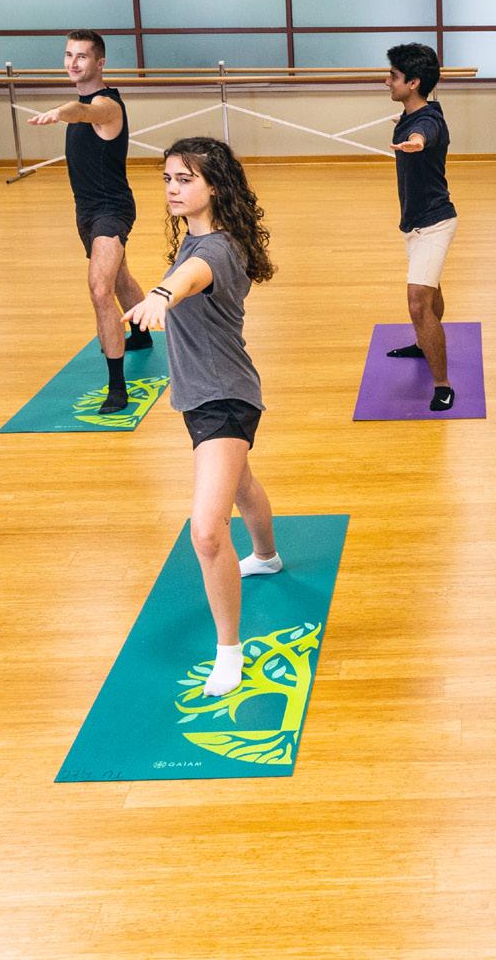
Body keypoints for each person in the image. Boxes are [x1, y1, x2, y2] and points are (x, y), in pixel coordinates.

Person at [124, 137, 282, 697]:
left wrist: (161, 295)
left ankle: (229, 652)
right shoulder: (203, 237)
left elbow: (189, 277)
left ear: (214, 186)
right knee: (241, 484)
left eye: (185, 179)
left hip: (222, 401)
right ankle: (267, 556)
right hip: (212, 392)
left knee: (208, 533)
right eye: (168, 178)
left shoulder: (211, 252)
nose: (172, 188)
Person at [29, 29, 150, 414]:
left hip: (111, 210)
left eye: (82, 56)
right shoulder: (85, 100)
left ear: (100, 62)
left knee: (100, 290)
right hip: (86, 210)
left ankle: (117, 388)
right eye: (69, 55)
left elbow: (84, 112)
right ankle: (142, 334)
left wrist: (61, 112)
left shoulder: (106, 105)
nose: (73, 63)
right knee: (119, 278)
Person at [384, 42, 460, 413]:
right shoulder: (417, 112)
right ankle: (422, 343)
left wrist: (416, 143)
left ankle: (442, 385)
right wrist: (407, 132)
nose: (387, 82)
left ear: (413, 83)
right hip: (414, 223)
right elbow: (423, 122)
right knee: (431, 286)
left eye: (394, 76)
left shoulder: (427, 122)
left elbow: (426, 132)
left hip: (434, 223)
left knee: (418, 302)